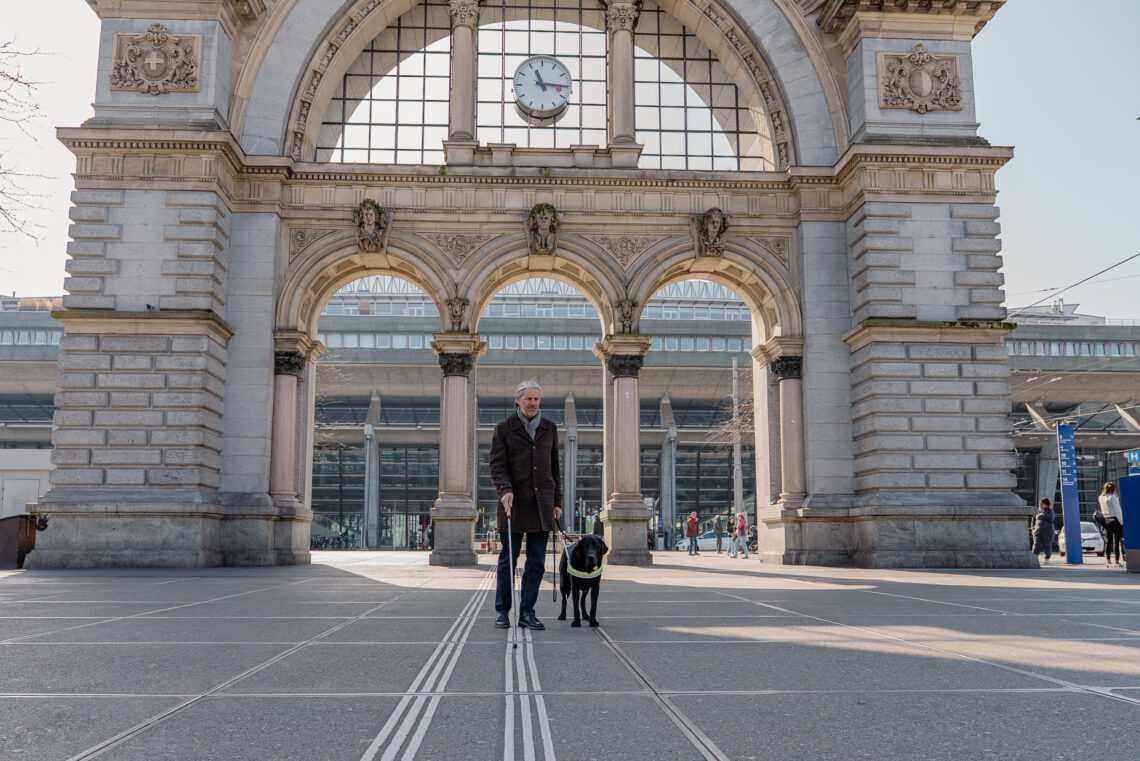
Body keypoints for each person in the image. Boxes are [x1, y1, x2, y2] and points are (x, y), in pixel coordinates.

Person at [490, 380, 562, 630]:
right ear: (517, 401)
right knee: (507, 561)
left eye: (536, 399)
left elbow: (555, 468)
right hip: (513, 504)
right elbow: (497, 465)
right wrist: (505, 490)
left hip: (542, 505)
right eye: (528, 399)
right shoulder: (503, 429)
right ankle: (502, 611)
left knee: (536, 562)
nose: (533, 403)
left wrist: (557, 502)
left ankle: (527, 612)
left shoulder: (549, 428)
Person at [1099, 482, 1124, 568]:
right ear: (1113, 489)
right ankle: (1116, 561)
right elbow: (1118, 511)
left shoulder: (1101, 498)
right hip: (1115, 521)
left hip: (1106, 521)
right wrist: (1122, 522)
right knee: (1117, 542)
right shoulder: (1113, 498)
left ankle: (1108, 561)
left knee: (1108, 542)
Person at [1031, 497, 1054, 564]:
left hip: (1048, 530)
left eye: (1042, 504)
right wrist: (1033, 528)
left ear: (1046, 504)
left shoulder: (1050, 511)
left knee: (1047, 544)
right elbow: (1033, 520)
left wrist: (1044, 512)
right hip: (1037, 530)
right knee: (1036, 544)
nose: (1040, 505)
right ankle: (1034, 557)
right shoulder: (1037, 511)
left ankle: (1047, 558)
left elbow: (1050, 519)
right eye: (1040, 504)